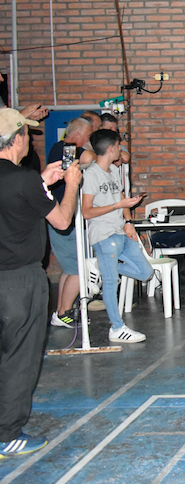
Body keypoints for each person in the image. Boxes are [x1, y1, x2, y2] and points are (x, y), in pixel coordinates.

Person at [0, 108, 81, 458]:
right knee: (19, 357)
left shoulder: (28, 181)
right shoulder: (24, 179)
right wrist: (71, 185)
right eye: (27, 135)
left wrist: (43, 183)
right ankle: (7, 434)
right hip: (19, 281)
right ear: (16, 139)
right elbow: (62, 221)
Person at [81, 129, 151, 343]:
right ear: (111, 149)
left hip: (121, 231)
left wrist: (128, 221)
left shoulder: (113, 170)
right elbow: (86, 212)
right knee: (111, 282)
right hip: (103, 234)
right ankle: (117, 328)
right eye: (119, 146)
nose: (121, 150)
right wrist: (117, 206)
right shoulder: (91, 174)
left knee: (145, 272)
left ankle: (97, 267)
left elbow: (122, 199)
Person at [47, 118, 97, 327]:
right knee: (80, 269)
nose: (89, 140)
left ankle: (61, 312)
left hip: (63, 219)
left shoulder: (58, 149)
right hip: (64, 220)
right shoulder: (65, 149)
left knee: (69, 269)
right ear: (77, 136)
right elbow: (91, 157)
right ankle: (63, 312)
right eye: (88, 136)